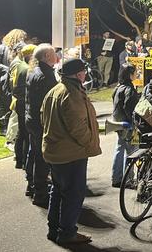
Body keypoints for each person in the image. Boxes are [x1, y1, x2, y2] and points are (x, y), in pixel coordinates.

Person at [41, 58, 102, 245]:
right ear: (78, 74)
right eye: (83, 71)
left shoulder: (55, 91)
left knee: (58, 191)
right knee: (73, 195)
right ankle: (67, 233)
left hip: (55, 152)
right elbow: (77, 127)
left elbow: (42, 117)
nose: (85, 74)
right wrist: (89, 143)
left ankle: (54, 230)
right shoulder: (71, 93)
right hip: (71, 154)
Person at [25, 44, 58, 207]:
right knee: (42, 159)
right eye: (53, 53)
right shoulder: (46, 76)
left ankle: (32, 186)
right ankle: (40, 193)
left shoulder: (33, 72)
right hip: (40, 122)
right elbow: (49, 103)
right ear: (46, 56)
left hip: (31, 119)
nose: (56, 55)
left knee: (35, 155)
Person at [0, 29, 27, 136]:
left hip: (16, 81)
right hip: (4, 81)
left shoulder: (20, 50)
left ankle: (11, 127)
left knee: (13, 104)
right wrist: (8, 69)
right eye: (22, 37)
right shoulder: (1, 48)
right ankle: (3, 128)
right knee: (4, 104)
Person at [110, 64, 139, 187]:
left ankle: (116, 178)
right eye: (135, 72)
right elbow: (129, 108)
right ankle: (129, 180)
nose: (137, 74)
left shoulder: (118, 87)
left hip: (117, 122)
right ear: (130, 74)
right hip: (127, 124)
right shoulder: (129, 90)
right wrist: (133, 123)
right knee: (131, 151)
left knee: (119, 149)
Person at [11, 44, 36, 169]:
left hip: (19, 103)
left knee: (21, 133)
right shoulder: (26, 69)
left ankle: (19, 160)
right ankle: (24, 161)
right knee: (26, 134)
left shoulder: (20, 65)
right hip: (23, 104)